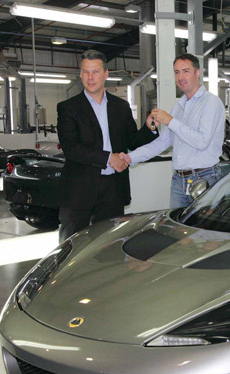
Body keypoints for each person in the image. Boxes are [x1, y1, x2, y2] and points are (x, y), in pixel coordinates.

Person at [56, 49, 157, 242]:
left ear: (106, 74)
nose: (90, 77)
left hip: (113, 189)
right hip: (79, 190)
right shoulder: (68, 108)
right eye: (85, 72)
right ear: (80, 74)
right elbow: (71, 148)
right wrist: (108, 158)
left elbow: (132, 141)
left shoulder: (121, 107)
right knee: (72, 248)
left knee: (109, 246)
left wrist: (149, 127)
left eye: (95, 71)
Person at [120, 53, 225, 209]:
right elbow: (161, 143)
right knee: (176, 229)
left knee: (202, 231)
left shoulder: (211, 103)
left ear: (197, 73)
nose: (180, 77)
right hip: (179, 181)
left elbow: (202, 142)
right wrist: (129, 158)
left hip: (205, 178)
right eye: (177, 72)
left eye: (185, 71)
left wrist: (170, 121)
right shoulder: (178, 107)